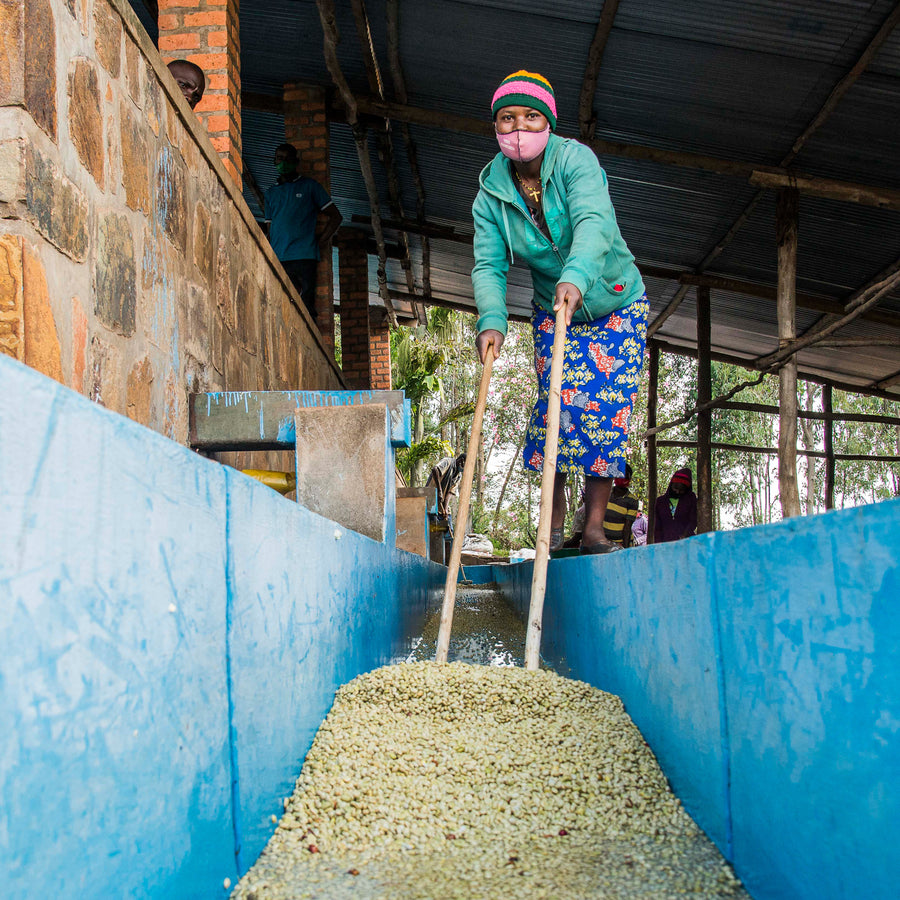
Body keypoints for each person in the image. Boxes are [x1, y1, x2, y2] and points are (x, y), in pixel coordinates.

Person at [472, 71, 648, 555]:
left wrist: (576, 276)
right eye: (507, 119)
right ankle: (550, 527)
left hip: (615, 302)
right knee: (558, 409)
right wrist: (491, 319)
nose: (519, 128)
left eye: (531, 117)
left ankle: (592, 530)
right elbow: (488, 264)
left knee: (606, 414)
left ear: (548, 121)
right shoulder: (490, 193)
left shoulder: (576, 161)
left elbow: (595, 221)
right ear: (495, 127)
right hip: (554, 308)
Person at [265, 143, 343, 318]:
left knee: (306, 307)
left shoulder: (310, 187)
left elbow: (336, 217)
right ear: (273, 161)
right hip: (279, 257)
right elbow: (269, 229)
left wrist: (319, 243)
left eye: (287, 158)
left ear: (296, 161)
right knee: (281, 305)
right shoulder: (270, 193)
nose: (283, 162)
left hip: (304, 256)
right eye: (279, 158)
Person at [653, 467, 698, 543]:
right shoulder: (661, 502)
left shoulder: (690, 499)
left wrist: (685, 534)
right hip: (665, 544)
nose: (677, 492)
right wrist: (658, 545)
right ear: (671, 485)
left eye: (681, 490)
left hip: (686, 543)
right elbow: (657, 527)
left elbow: (693, 521)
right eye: (675, 488)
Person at [602, 463, 640, 547]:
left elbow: (627, 527)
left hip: (621, 544)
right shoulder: (605, 494)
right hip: (604, 542)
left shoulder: (632, 501)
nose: (623, 479)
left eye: (626, 476)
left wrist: (625, 550)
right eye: (621, 475)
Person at [427, 453, 467, 519]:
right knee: (434, 524)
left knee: (448, 525)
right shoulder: (447, 461)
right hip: (431, 500)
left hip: (441, 505)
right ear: (461, 460)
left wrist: (445, 509)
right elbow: (435, 469)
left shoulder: (458, 476)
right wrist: (439, 491)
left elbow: (450, 492)